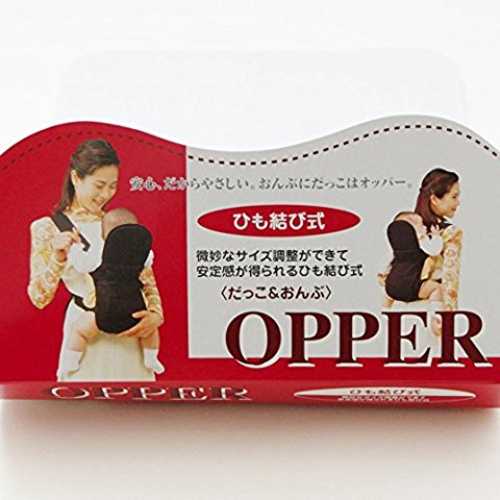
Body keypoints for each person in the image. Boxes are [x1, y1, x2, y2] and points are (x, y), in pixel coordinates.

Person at [27, 139, 164, 381]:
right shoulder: (47, 228)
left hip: (130, 327)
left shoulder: (117, 223)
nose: (106, 195)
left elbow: (145, 278)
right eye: (99, 185)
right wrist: (57, 258)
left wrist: (155, 315)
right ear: (76, 178)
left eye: (112, 186)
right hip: (84, 331)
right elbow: (38, 298)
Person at [57, 207, 165, 377]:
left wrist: (76, 246)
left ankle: (71, 362)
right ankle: (151, 358)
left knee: (79, 331)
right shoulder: (142, 256)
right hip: (134, 311)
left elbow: (80, 264)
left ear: (103, 234)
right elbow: (148, 268)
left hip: (102, 312)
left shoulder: (97, 255)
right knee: (150, 331)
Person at [379, 167, 462, 336]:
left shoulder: (405, 227)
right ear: (435, 199)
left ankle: (382, 314)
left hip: (397, 311)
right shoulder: (448, 233)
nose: (458, 202)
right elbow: (450, 278)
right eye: (454, 197)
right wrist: (449, 316)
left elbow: (394, 261)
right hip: (431, 314)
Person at [383, 211, 443, 306]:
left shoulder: (396, 249)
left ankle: (384, 309)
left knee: (388, 295)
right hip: (412, 287)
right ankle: (435, 312)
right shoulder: (421, 241)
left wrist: (383, 273)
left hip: (391, 287)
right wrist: (436, 236)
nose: (425, 227)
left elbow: (386, 265)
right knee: (437, 288)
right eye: (421, 225)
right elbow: (435, 251)